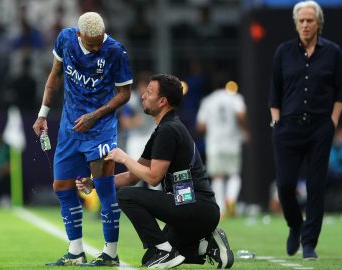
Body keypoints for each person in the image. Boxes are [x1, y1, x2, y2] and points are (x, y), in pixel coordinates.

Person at [78, 74, 234, 269]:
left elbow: (153, 178)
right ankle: (206, 245)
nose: (143, 96)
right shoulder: (164, 129)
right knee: (149, 257)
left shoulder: (169, 130)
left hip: (195, 206)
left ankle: (164, 251)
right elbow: (131, 177)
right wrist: (94, 183)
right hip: (192, 208)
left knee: (126, 197)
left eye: (149, 92)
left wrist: (124, 157)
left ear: (162, 101)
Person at [32, 12, 133, 266]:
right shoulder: (65, 39)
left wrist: (95, 115)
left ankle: (110, 254)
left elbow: (125, 94)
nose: (97, 47)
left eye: (100, 41)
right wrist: (43, 114)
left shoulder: (115, 51)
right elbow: (54, 75)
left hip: (100, 130)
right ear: (79, 35)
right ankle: (76, 251)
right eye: (92, 44)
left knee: (104, 189)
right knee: (62, 187)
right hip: (70, 128)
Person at [268, 1, 342, 260]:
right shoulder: (284, 51)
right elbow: (274, 92)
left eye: (309, 20)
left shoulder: (333, 52)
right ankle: (295, 226)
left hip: (319, 128)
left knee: (315, 186)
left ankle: (309, 243)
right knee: (286, 185)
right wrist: (276, 122)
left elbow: (341, 92)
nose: (305, 25)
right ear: (295, 23)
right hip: (287, 127)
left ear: (319, 23)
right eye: (301, 21)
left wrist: (332, 122)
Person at [196, 80, 249, 219]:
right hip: (232, 142)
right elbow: (241, 115)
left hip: (214, 144)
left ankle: (221, 208)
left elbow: (200, 126)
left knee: (217, 175)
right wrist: (245, 131)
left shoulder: (208, 100)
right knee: (234, 173)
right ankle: (231, 199)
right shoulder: (235, 98)